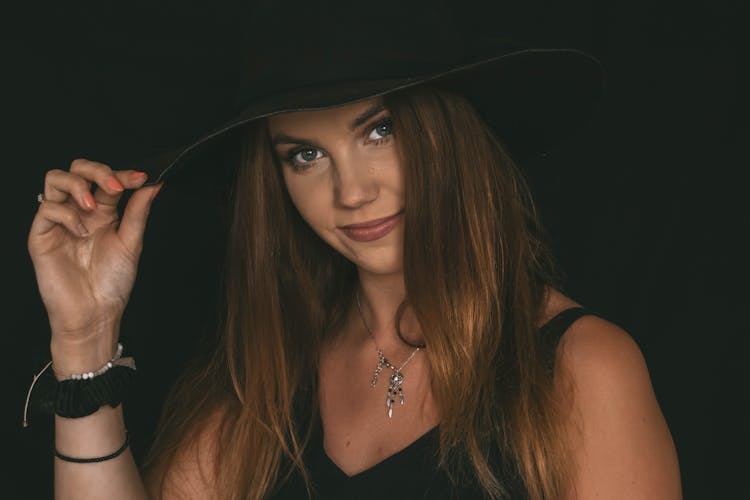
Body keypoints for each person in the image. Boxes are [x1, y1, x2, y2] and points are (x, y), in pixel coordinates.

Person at [26, 1, 681, 499]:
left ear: (448, 130)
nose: (351, 192)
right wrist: (83, 343)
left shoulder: (582, 371)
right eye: (306, 156)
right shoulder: (268, 386)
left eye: (379, 131)